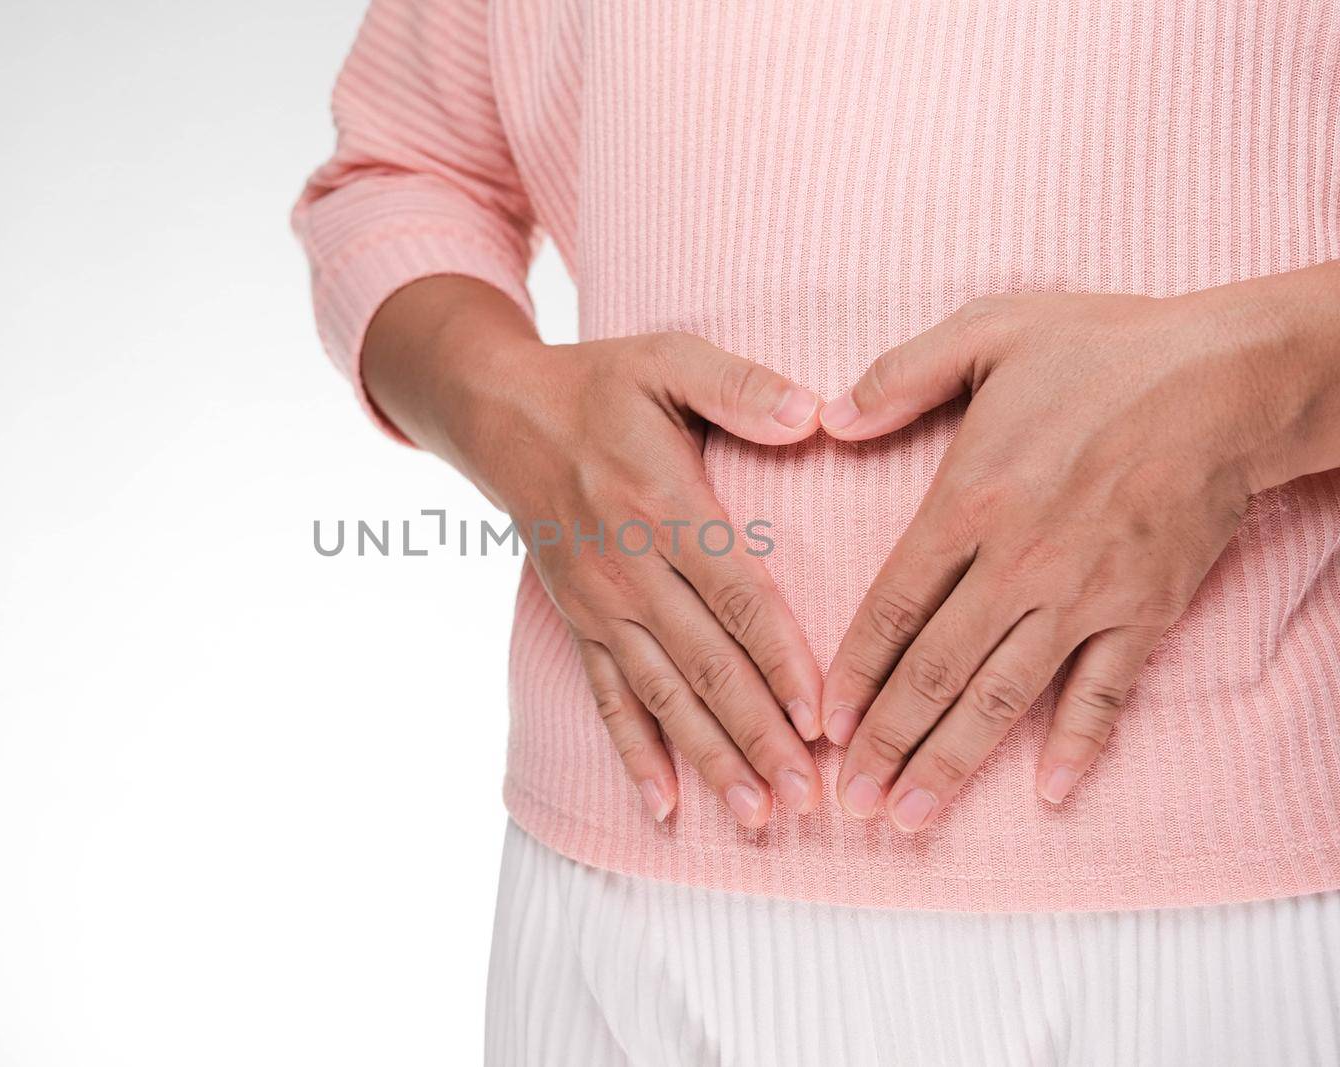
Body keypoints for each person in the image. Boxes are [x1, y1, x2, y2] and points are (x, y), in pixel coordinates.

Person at [295, 2, 1340, 1063]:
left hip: (1241, 908)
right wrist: (504, 399)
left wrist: (1258, 385)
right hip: (628, 897)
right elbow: (406, 166)